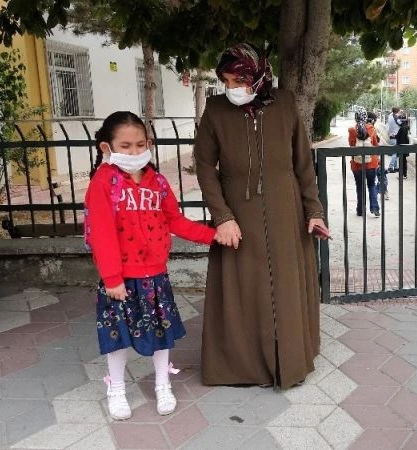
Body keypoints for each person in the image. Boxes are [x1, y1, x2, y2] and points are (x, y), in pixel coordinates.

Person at [193, 43, 331, 390]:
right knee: (242, 289)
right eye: (226, 80)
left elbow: (302, 164)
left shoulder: (284, 104)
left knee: (284, 288)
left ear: (258, 75)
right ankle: (242, 366)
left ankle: (291, 359)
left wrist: (313, 211)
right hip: (238, 214)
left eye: (239, 79)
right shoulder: (215, 110)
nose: (232, 88)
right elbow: (206, 167)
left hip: (286, 212)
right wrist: (222, 216)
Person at [84, 111, 219, 420]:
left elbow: (176, 220)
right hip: (119, 280)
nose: (134, 152)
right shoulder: (103, 183)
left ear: (149, 143)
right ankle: (116, 389)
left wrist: (213, 236)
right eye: (126, 146)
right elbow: (101, 233)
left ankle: (162, 384)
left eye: (140, 144)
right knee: (117, 336)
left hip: (155, 276)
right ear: (107, 148)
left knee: (161, 333)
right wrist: (112, 278)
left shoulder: (156, 181)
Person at [348, 109, 381, 217]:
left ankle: (361, 210)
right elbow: (376, 145)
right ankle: (375, 208)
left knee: (359, 186)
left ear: (355, 118)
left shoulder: (352, 130)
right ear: (366, 118)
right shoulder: (371, 129)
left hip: (357, 165)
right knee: (371, 185)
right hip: (371, 164)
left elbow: (351, 145)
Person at [394, 110, 410, 179]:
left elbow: (398, 136)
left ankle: (402, 175)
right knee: (404, 161)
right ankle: (405, 174)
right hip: (406, 148)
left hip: (401, 147)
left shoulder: (401, 128)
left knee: (401, 161)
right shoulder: (407, 128)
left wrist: (394, 136)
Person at [386, 107, 401, 173]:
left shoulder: (390, 117)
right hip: (395, 137)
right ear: (397, 112)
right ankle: (390, 167)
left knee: (395, 152)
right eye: (399, 112)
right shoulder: (396, 118)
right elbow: (401, 124)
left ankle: (396, 167)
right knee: (395, 153)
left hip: (391, 136)